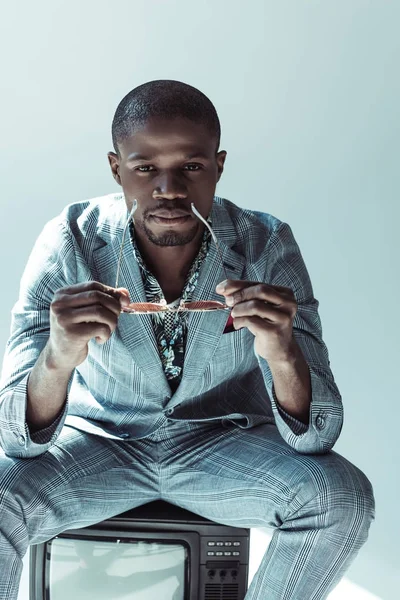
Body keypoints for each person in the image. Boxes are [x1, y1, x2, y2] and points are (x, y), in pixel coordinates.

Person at [0, 79, 375, 600]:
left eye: (191, 168)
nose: (169, 189)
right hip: (99, 443)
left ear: (218, 165)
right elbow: (14, 439)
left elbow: (316, 439)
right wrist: (57, 359)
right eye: (145, 168)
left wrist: (282, 351)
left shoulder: (266, 244)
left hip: (220, 447)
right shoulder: (70, 240)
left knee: (343, 499)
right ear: (116, 168)